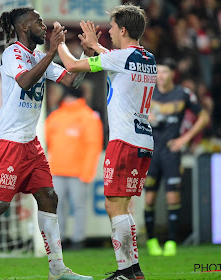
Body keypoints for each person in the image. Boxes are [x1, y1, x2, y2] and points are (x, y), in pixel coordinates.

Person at [0, 6, 94, 280]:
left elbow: (71, 80)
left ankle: (57, 269)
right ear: (24, 27)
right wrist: (51, 52)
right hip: (9, 140)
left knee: (48, 196)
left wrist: (87, 54)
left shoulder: (38, 56)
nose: (43, 26)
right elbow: (24, 81)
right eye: (38, 22)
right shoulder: (12, 53)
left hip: (30, 142)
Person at [56, 3, 155, 279]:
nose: (108, 32)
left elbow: (73, 65)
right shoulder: (148, 58)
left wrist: (60, 44)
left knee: (114, 205)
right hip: (143, 139)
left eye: (111, 28)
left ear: (122, 29)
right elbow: (116, 59)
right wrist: (96, 47)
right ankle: (132, 271)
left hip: (123, 140)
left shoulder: (119, 57)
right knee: (122, 206)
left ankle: (127, 271)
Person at [144, 58, 210, 256]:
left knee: (173, 196)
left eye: (164, 72)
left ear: (172, 74)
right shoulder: (148, 92)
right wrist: (144, 117)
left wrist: (186, 138)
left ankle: (171, 241)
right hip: (151, 152)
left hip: (172, 152)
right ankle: (152, 241)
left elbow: (204, 116)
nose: (161, 76)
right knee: (149, 198)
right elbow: (131, 113)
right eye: (158, 72)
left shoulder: (183, 94)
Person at [45, 85, 103, 250]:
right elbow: (45, 140)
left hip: (76, 172)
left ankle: (77, 239)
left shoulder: (87, 116)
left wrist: (87, 172)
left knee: (76, 207)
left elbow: (93, 147)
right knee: (61, 207)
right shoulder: (57, 115)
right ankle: (62, 239)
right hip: (57, 170)